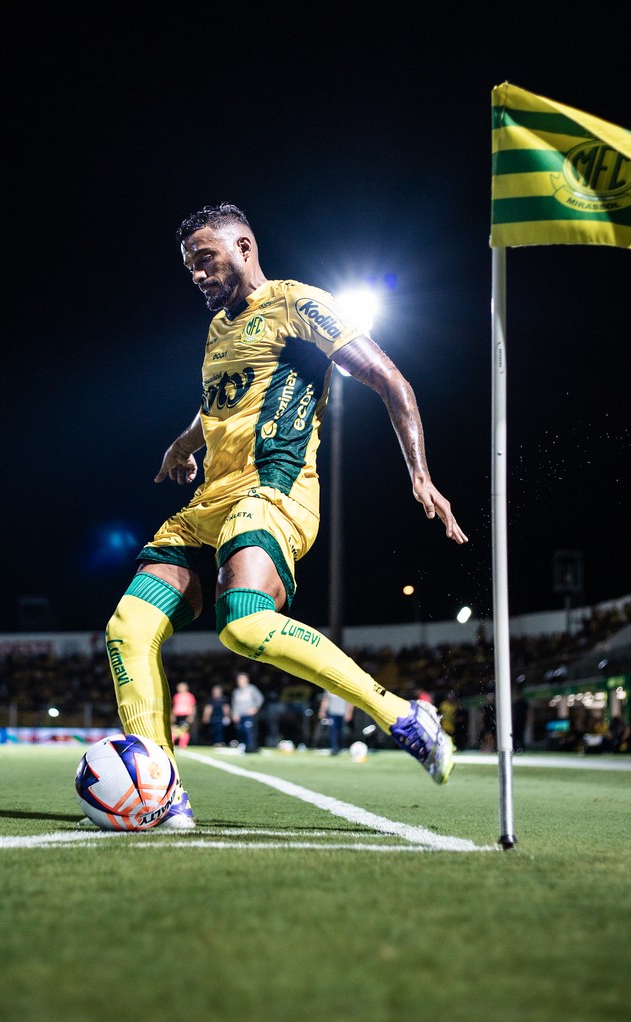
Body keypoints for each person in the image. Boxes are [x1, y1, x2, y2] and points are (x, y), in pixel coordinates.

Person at [104, 202, 467, 829]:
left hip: (274, 490)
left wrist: (420, 472)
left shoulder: (301, 304)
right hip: (209, 501)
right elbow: (215, 406)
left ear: (244, 247)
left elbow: (390, 379)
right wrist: (180, 446)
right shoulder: (219, 328)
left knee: (242, 626)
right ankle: (161, 793)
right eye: (188, 265)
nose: (195, 273)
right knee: (127, 630)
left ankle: (404, 717)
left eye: (205, 259)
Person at [230, 671, 264, 753]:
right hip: (240, 715)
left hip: (249, 715)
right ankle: (243, 746)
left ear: (246, 679)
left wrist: (255, 708)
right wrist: (234, 713)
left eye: (241, 679)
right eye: (238, 679)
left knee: (249, 731)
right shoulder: (236, 691)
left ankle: (251, 747)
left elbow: (260, 698)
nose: (239, 681)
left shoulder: (251, 689)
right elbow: (234, 704)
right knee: (241, 731)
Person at [317, 690, 353, 755]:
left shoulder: (345, 687)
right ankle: (334, 748)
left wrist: (349, 712)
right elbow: (326, 700)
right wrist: (322, 711)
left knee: (341, 731)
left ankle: (341, 747)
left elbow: (350, 701)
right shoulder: (328, 688)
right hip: (332, 713)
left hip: (342, 713)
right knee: (333, 730)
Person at [170, 680, 196, 748]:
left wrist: (191, 716)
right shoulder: (176, 696)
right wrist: (173, 716)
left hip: (186, 715)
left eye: (181, 687)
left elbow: (192, 706)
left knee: (183, 730)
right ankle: (171, 742)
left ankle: (182, 744)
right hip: (178, 715)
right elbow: (174, 707)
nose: (179, 688)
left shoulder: (190, 696)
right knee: (175, 729)